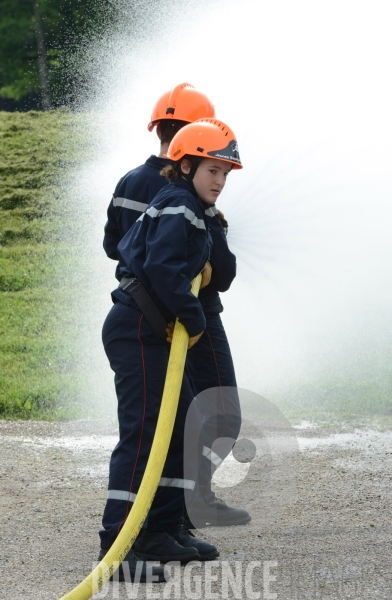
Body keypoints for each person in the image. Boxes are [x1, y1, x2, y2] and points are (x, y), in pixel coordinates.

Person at [99, 119, 244, 581]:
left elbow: (222, 275)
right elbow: (162, 269)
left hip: (152, 330)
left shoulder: (196, 209)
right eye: (212, 170)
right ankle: (117, 550)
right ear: (185, 164)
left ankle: (161, 530)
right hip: (137, 328)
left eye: (226, 173)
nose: (220, 181)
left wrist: (215, 227)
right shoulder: (177, 202)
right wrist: (195, 318)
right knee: (143, 437)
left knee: (181, 429)